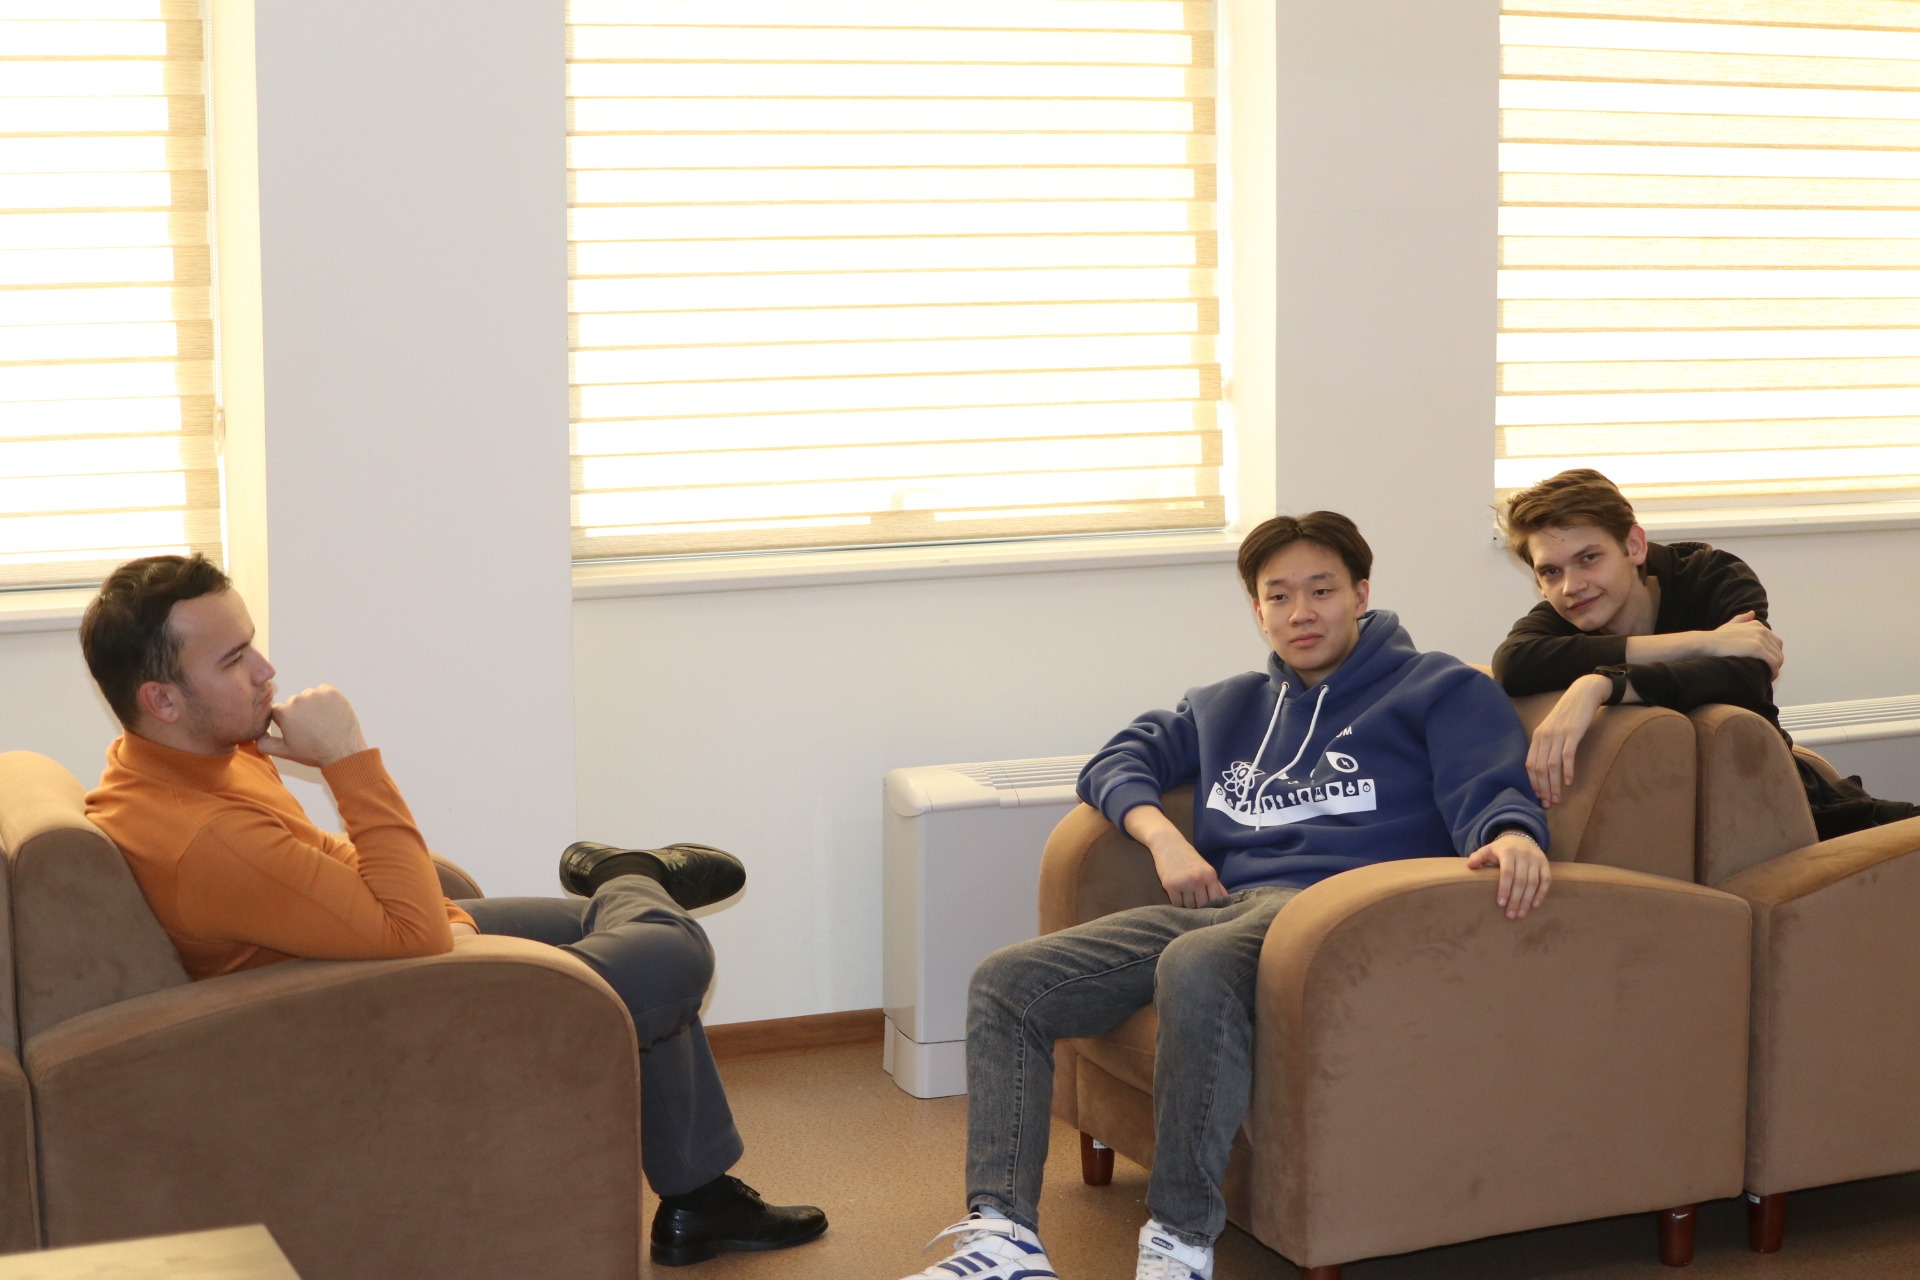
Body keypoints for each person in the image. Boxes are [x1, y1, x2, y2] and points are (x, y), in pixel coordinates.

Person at [78, 554, 826, 1267]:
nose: (266, 670)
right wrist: (347, 757)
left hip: (367, 961)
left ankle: (701, 1202)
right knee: (671, 951)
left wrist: (447, 918)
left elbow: (335, 871)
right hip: (386, 1021)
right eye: (235, 658)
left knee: (600, 929)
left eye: (254, 644)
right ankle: (635, 873)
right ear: (162, 700)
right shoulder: (207, 836)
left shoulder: (177, 763)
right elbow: (410, 930)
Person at [899, 512, 1552, 1280]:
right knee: (1007, 982)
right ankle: (1004, 1238)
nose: (1301, 612)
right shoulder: (1228, 705)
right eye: (1279, 596)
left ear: (1361, 594)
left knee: (1197, 961)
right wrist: (1164, 839)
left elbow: (1490, 787)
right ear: (1257, 611)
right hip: (1231, 906)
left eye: (1322, 591)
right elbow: (1115, 762)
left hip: (1341, 913)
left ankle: (1179, 1243)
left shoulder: (1440, 687)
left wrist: (1512, 834)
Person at [1493, 468, 1918, 838]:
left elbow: (1747, 676)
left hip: (1785, 802)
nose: (1570, 586)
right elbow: (1513, 664)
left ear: (1634, 546)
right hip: (1683, 824)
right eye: (1551, 571)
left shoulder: (1710, 576)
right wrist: (1701, 642)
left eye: (1588, 558)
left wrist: (1602, 683)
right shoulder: (1563, 617)